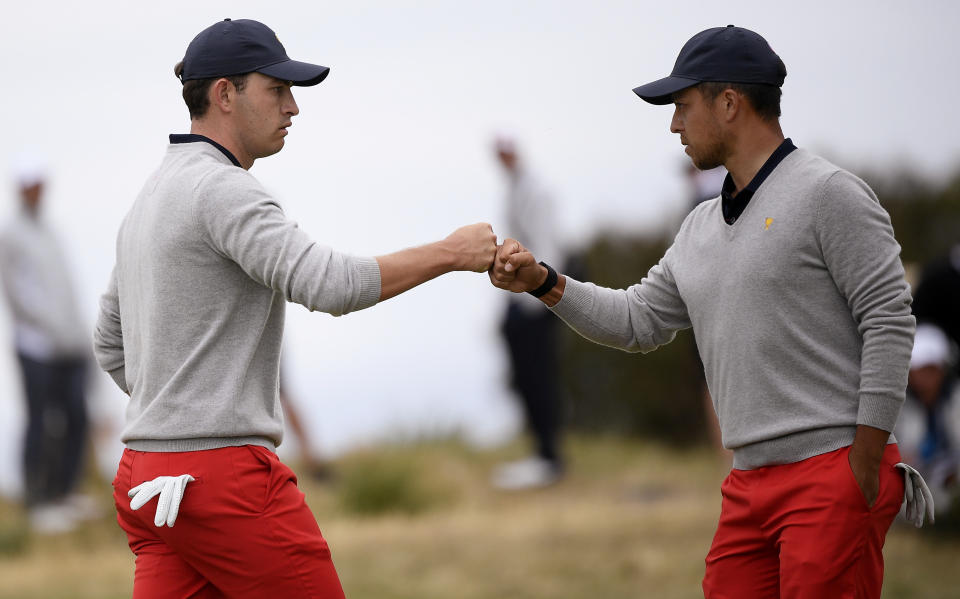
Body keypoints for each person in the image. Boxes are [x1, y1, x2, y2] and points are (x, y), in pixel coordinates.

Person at [489, 25, 931, 598]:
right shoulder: (699, 227)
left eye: (681, 106)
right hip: (748, 482)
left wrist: (866, 458)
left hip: (833, 472)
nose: (674, 125)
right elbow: (636, 320)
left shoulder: (831, 194)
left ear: (729, 104)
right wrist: (543, 282)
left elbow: (890, 319)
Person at [93, 18, 496, 599]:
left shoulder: (151, 195)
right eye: (276, 90)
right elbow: (331, 285)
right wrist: (452, 252)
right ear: (225, 95)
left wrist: (175, 410)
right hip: (220, 481)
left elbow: (110, 343)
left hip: (147, 476)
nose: (293, 107)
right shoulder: (223, 190)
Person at [0, 154, 95, 534]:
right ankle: (37, 500)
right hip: (36, 346)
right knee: (40, 421)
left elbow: (66, 289)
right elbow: (17, 295)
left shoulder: (53, 231)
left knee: (76, 417)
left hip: (69, 344)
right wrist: (48, 327)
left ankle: (63, 493)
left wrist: (73, 330)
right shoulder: (11, 235)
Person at [490, 137, 565, 490]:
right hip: (520, 298)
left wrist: (542, 295)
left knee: (539, 378)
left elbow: (548, 246)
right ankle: (541, 452)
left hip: (537, 297)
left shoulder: (535, 190)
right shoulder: (515, 188)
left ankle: (549, 457)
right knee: (524, 377)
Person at [896, 323, 959, 518]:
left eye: (932, 369)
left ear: (943, 368)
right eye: (921, 369)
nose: (926, 377)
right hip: (914, 485)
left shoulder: (956, 398)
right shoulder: (898, 403)